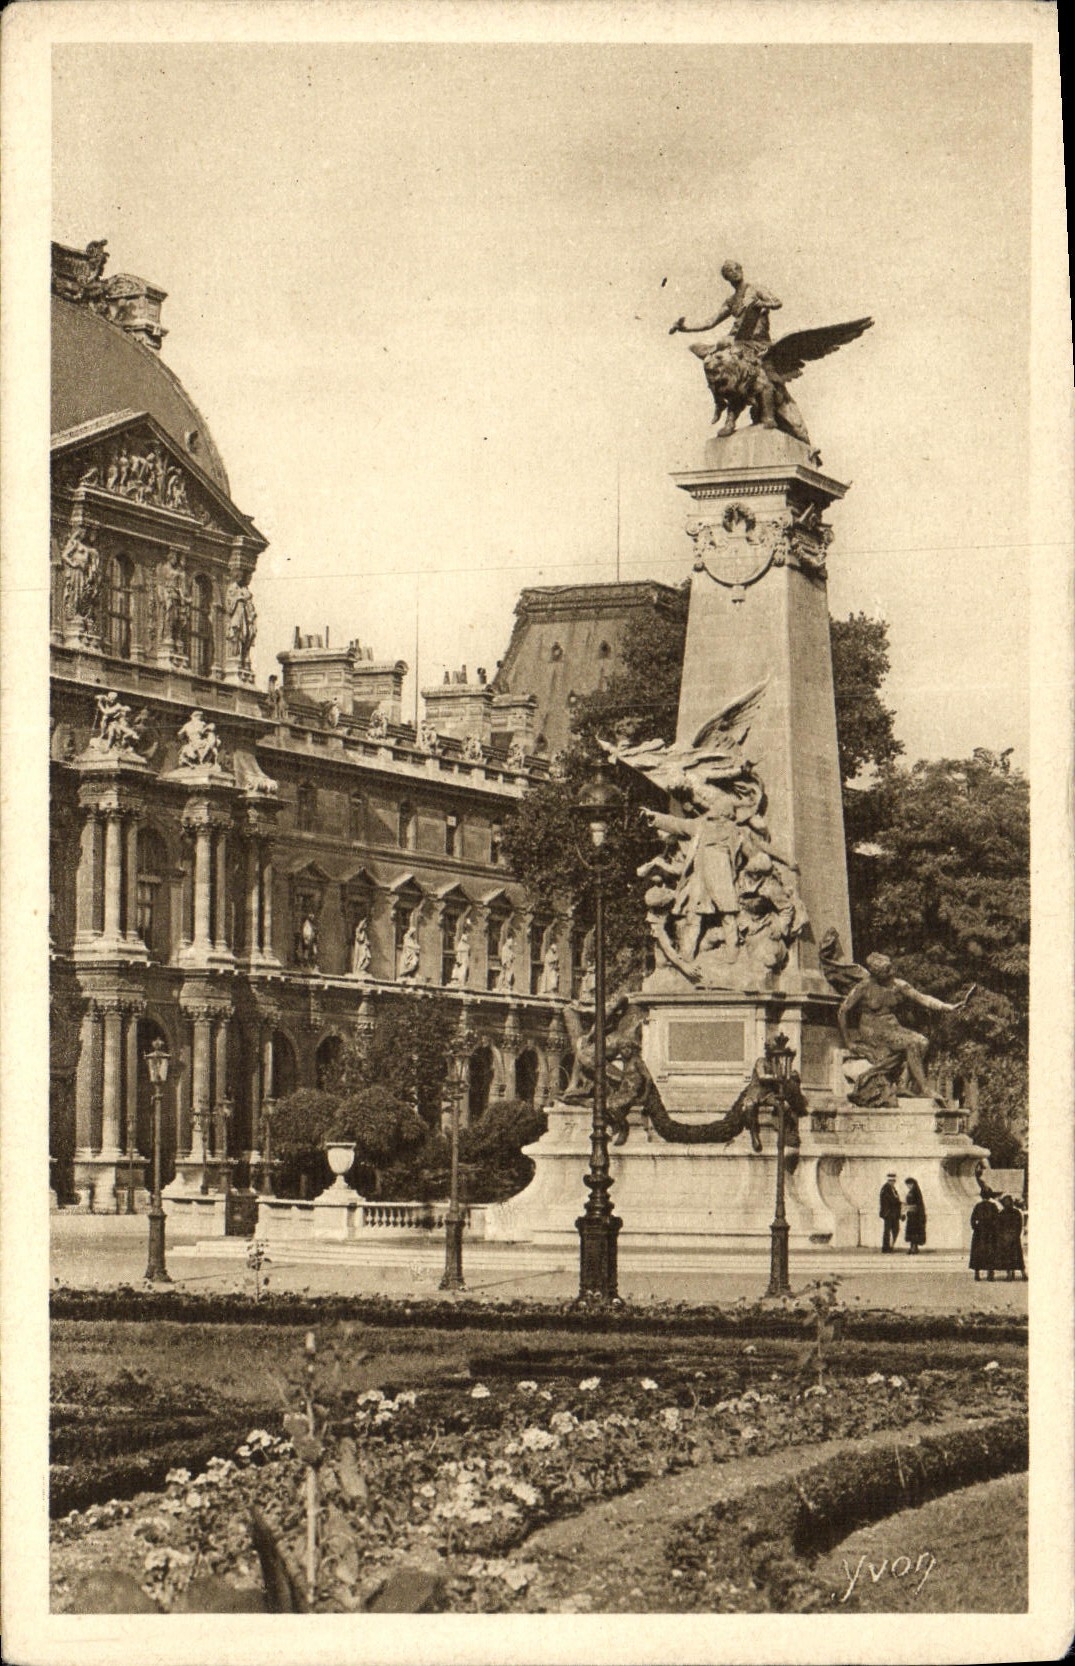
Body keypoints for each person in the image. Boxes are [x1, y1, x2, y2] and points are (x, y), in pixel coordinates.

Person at [994, 1195, 1027, 1281]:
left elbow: (999, 1227)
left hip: (1007, 1238)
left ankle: (1011, 1274)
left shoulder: (1002, 1213)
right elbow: (1019, 1225)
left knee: (1009, 1257)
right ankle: (1022, 1274)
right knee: (1017, 1257)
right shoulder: (1016, 1212)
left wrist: (1002, 1236)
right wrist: (1016, 1235)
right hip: (1013, 1237)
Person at [969, 1193, 1001, 1281]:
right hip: (990, 1232)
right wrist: (995, 1229)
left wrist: (976, 1228)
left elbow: (972, 1219)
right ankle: (990, 1274)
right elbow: (997, 1219)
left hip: (980, 1232)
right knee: (990, 1252)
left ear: (981, 1196)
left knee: (977, 1252)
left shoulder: (978, 1206)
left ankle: (977, 1274)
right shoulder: (993, 1206)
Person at [879, 1172, 902, 1253]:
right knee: (888, 1231)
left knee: (895, 1230)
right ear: (888, 1181)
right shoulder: (886, 1189)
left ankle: (889, 1246)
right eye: (891, 1181)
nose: (892, 1182)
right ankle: (886, 1248)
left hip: (894, 1213)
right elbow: (890, 1201)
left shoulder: (893, 1189)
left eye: (893, 1181)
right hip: (889, 1213)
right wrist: (898, 1202)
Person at [903, 1177, 927, 1254]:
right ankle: (913, 1247)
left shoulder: (916, 1192)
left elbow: (918, 1204)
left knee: (914, 1232)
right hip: (911, 1215)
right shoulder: (911, 1192)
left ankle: (914, 1248)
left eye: (909, 1184)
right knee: (911, 1232)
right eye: (907, 1185)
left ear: (913, 1184)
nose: (908, 1186)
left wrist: (909, 1207)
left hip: (916, 1216)